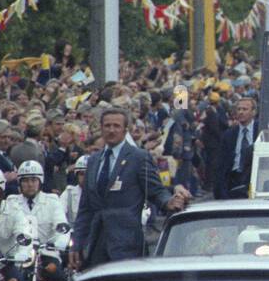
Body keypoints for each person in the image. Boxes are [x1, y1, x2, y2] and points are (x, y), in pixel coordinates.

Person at [70, 109, 189, 270]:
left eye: (116, 126)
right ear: (101, 128)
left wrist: (169, 202)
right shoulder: (93, 161)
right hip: (96, 245)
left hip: (127, 244)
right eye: (107, 126)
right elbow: (85, 208)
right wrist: (77, 243)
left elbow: (155, 190)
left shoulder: (138, 157)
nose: (111, 130)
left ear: (125, 130)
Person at [6, 160, 70, 281]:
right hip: (20, 254)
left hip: (45, 251)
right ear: (20, 183)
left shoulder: (52, 200)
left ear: (40, 181)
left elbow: (62, 225)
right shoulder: (11, 202)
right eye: (25, 181)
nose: (29, 184)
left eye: (33, 180)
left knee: (57, 277)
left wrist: (60, 240)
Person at [216, 96, 260, 199]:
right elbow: (221, 163)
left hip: (254, 177)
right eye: (239, 109)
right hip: (234, 179)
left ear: (253, 112)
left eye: (245, 109)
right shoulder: (229, 134)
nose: (241, 112)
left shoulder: (260, 130)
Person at [62, 155, 88, 223]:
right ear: (76, 175)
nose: (85, 177)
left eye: (88, 174)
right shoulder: (69, 193)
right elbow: (60, 213)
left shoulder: (100, 194)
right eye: (82, 174)